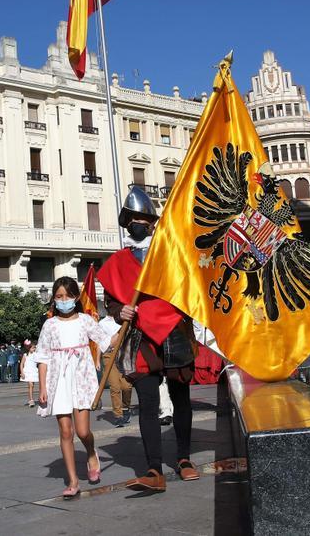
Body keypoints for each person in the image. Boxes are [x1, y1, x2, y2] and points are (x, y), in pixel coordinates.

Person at [99, 187, 200, 493]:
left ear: (153, 222)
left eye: (142, 217)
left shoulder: (171, 254)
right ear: (126, 223)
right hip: (140, 336)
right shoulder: (117, 262)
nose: (137, 222)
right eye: (132, 218)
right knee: (148, 403)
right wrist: (120, 311)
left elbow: (191, 288)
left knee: (181, 399)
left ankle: (184, 459)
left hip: (174, 329)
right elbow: (111, 303)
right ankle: (154, 468)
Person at [33, 277, 118, 499]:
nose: (63, 300)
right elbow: (42, 357)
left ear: (76, 297)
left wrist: (129, 322)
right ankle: (73, 480)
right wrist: (42, 387)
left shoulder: (85, 320)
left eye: (68, 296)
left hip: (81, 378)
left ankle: (91, 452)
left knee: (82, 431)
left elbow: (106, 341)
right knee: (65, 432)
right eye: (59, 297)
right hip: (57, 379)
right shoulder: (49, 324)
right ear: (53, 299)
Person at [97, 311, 132, 426]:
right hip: (109, 355)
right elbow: (99, 342)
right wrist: (97, 360)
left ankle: (126, 408)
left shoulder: (124, 320)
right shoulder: (102, 323)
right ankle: (118, 415)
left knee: (126, 386)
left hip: (123, 355)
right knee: (115, 386)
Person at [20, 341, 39, 407]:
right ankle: (31, 400)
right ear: (29, 348)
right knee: (30, 385)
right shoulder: (25, 355)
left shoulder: (36, 354)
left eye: (35, 348)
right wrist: (22, 372)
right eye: (33, 348)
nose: (34, 349)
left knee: (33, 385)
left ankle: (36, 398)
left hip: (34, 371)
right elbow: (21, 364)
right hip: (27, 371)